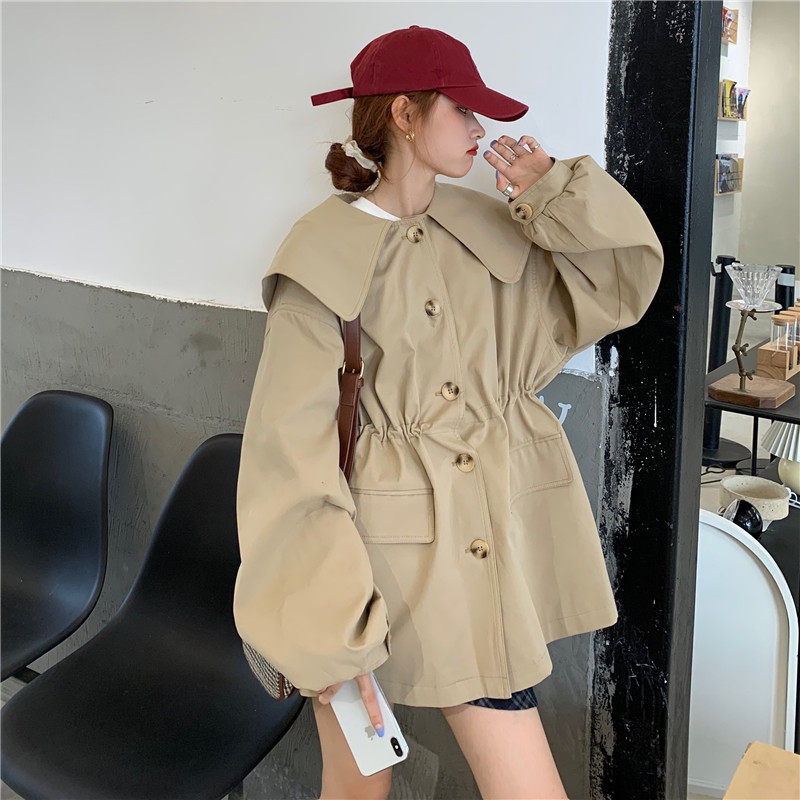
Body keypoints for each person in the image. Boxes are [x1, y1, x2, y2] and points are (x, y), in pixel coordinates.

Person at [233, 24, 664, 800]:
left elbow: (621, 287)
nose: (478, 126)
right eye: (461, 109)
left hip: (483, 547)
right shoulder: (321, 257)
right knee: (360, 783)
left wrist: (552, 195)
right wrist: (329, 628)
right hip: (365, 566)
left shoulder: (488, 227)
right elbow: (288, 459)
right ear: (404, 114)